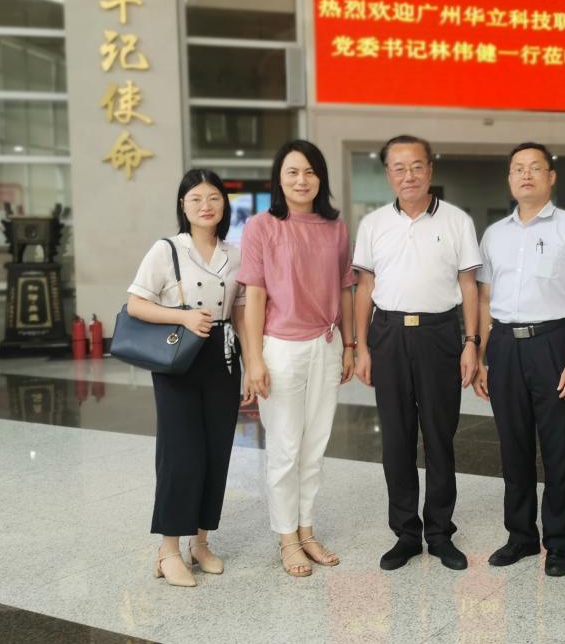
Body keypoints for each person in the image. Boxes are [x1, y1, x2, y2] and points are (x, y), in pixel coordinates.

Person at [353, 135, 482, 571]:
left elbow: (469, 286)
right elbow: (364, 288)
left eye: (416, 166)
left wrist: (471, 343)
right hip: (388, 335)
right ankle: (406, 534)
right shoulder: (373, 224)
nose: (408, 175)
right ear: (388, 174)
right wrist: (362, 347)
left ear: (430, 170)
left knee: (440, 436)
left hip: (439, 335)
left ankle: (440, 533)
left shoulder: (457, 220)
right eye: (398, 167)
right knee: (396, 438)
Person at [473, 143, 565, 578]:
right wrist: (483, 357)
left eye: (534, 168)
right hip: (505, 346)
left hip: (553, 343)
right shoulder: (495, 235)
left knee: (559, 447)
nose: (525, 175)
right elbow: (485, 299)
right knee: (514, 447)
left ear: (551, 176)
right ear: (509, 178)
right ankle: (521, 536)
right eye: (517, 169)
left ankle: (559, 543)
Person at [238, 140, 356, 578]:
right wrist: (254, 359)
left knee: (315, 445)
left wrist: (349, 344)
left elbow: (345, 288)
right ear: (279, 179)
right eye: (292, 172)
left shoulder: (335, 226)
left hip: (327, 343)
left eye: (309, 171)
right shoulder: (262, 226)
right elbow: (254, 296)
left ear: (320, 177)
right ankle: (287, 537)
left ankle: (307, 531)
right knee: (285, 448)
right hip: (281, 348)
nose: (301, 180)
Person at [127, 169, 249, 588]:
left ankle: (201, 542)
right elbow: (136, 304)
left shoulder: (235, 254)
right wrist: (182, 316)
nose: (205, 206)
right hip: (179, 356)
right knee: (181, 455)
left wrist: (251, 361)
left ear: (224, 204)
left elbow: (240, 311)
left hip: (224, 357)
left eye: (213, 197)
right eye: (195, 198)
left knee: (217, 451)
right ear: (183, 205)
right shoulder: (166, 250)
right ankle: (168, 551)